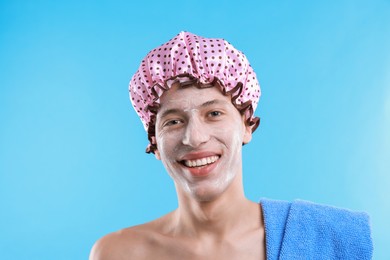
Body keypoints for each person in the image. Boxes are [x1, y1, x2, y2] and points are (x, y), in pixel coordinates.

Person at [90, 32, 373, 260]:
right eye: (173, 122)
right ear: (155, 142)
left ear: (246, 125)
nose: (194, 138)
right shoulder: (118, 254)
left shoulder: (331, 238)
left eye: (213, 113)